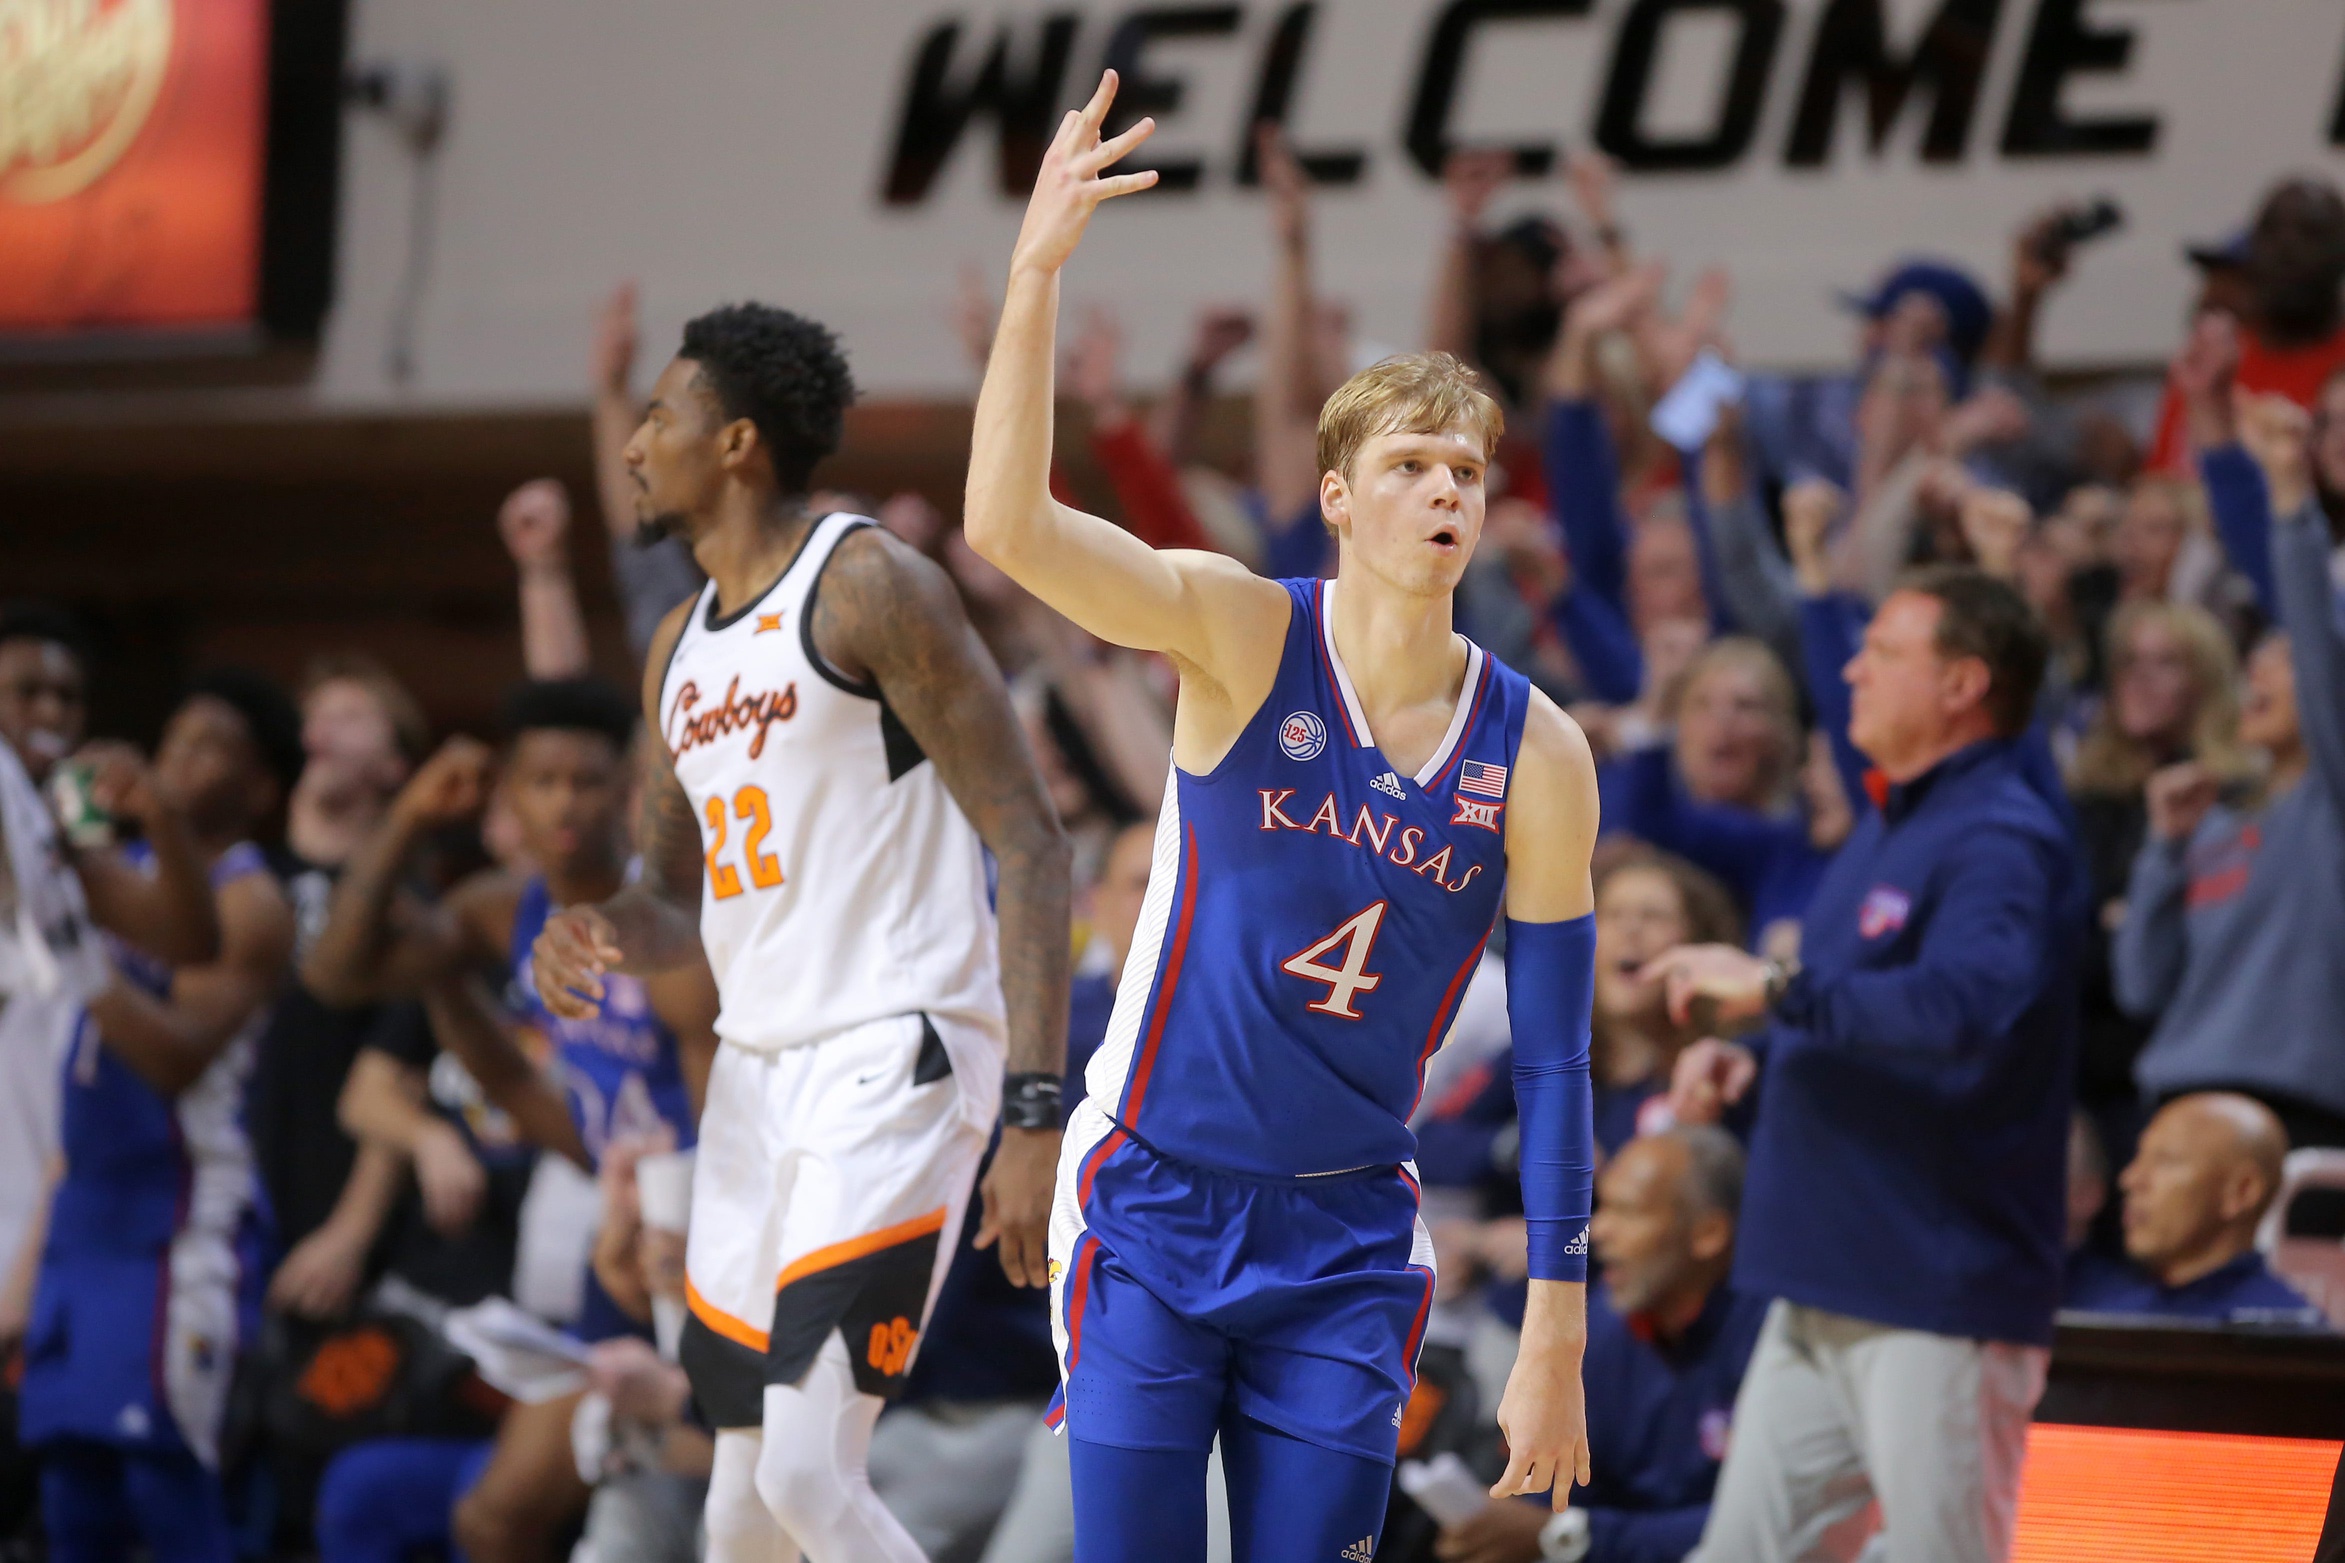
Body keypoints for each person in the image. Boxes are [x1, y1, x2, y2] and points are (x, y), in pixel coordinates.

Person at [964, 72, 1601, 1562]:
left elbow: (1562, 1057)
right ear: (1336, 494)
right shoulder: (1240, 632)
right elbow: (1006, 526)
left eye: (1466, 471)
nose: (1445, 490)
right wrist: (1034, 270)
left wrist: (1556, 1331)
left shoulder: (1541, 748)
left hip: (1343, 1234)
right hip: (1149, 1202)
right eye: (1410, 466)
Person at [526, 296, 1073, 1563]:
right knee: (737, 1510)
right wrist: (592, 928)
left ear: (735, 443)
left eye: (657, 415)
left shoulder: (868, 584)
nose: (631, 443)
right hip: (757, 1086)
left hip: (897, 1050)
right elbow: (673, 901)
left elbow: (1032, 842)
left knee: (813, 1483)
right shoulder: (677, 646)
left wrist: (1036, 1114)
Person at [1648, 567, 2079, 1563]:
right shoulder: (1892, 823)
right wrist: (1756, 1055)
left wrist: (1777, 990)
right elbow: (1861, 1014)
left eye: (1883, 651)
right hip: (1818, 1276)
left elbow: (1971, 1010)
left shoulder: (2002, 837)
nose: (1852, 669)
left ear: (1962, 685)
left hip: (1931, 1290)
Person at [304, 677, 718, 1563]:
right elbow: (337, 974)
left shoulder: (674, 926)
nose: (565, 801)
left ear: (628, 789)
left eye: (588, 779)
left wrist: (686, 1244)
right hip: (618, 1234)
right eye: (542, 780)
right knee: (499, 1518)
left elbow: (726, 1121)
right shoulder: (502, 907)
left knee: (744, 1507)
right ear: (508, 796)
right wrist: (412, 815)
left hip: (709, 1239)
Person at [16, 671, 302, 1563]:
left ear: (261, 786)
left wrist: (74, 957)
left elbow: (176, 1058)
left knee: (161, 1483)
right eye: (175, 735)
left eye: (212, 743)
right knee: (71, 1492)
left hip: (176, 1214)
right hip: (87, 1211)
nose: (180, 754)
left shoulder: (252, 898)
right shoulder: (127, 869)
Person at [2116, 394, 2345, 1150]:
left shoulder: (2331, 802)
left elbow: (2317, 642)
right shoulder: (2209, 819)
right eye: (2253, 660)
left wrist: (2289, 497)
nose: (2257, 675)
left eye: (2277, 663)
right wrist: (2162, 852)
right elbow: (2141, 988)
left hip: (2293, 1116)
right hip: (2174, 1102)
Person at [1431, 1128, 1767, 1563]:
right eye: (1602, 1207)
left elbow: (1758, 1525)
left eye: (1628, 1212)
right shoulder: (1607, 1324)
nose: (1598, 1231)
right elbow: (1561, 1487)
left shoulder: (1772, 1338)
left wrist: (1572, 1535)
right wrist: (1508, 1526)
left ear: (1709, 1233)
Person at [2065, 1093, 2320, 1327]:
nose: (2131, 1179)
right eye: (2138, 1158)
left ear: (2241, 1191)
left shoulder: (2289, 1338)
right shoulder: (2101, 1317)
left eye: (2165, 1160)